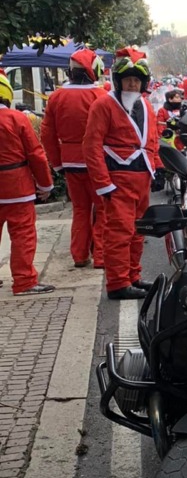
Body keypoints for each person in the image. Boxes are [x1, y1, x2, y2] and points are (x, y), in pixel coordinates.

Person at [83, 50, 160, 301]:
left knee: (139, 231)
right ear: (118, 80)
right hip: (118, 178)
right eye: (127, 79)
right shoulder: (103, 105)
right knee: (119, 233)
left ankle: (133, 277)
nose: (132, 83)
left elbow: (152, 140)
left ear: (144, 83)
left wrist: (156, 168)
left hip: (142, 178)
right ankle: (117, 283)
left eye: (137, 80)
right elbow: (91, 145)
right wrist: (104, 184)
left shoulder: (146, 105)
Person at [40, 48, 106, 268]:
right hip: (97, 161)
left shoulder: (57, 96)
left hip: (69, 161)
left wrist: (57, 163)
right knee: (103, 209)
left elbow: (47, 134)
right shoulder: (100, 96)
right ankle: (102, 256)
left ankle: (79, 255)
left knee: (80, 210)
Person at [0, 72, 55, 294]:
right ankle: (24, 281)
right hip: (17, 187)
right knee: (23, 234)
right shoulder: (16, 118)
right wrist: (45, 185)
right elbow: (36, 154)